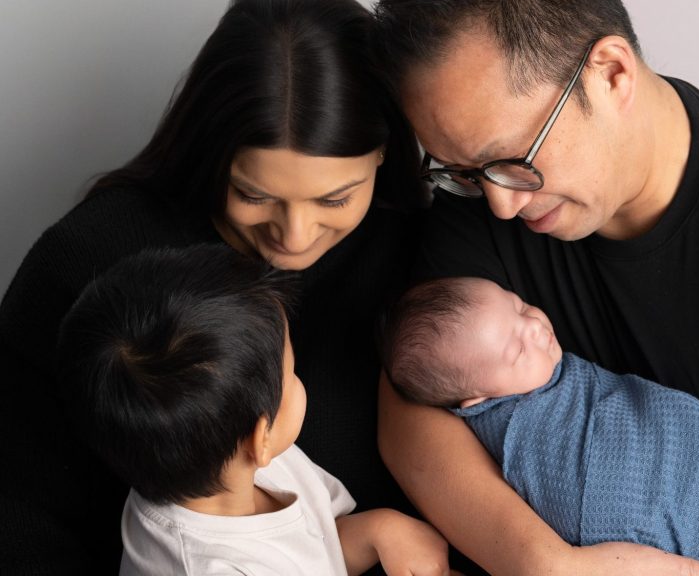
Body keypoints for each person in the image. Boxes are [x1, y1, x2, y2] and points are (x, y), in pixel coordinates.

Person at [373, 0, 699, 575]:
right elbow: (413, 411)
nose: (500, 202)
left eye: (511, 161)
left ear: (611, 74)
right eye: (464, 170)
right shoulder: (477, 201)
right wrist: (548, 565)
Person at [0, 0, 426, 574]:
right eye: (254, 194)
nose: (295, 236)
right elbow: (18, 504)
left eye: (335, 199)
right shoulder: (92, 262)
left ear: (382, 154)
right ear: (211, 152)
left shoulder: (416, 246)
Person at [57, 245, 449, 576]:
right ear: (259, 438)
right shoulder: (207, 566)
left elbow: (315, 552)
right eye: (291, 374)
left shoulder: (217, 454)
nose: (299, 383)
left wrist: (379, 530)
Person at [381, 276, 699, 576]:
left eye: (518, 305)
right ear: (478, 401)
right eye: (517, 349)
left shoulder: (537, 372)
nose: (534, 326)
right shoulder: (520, 428)